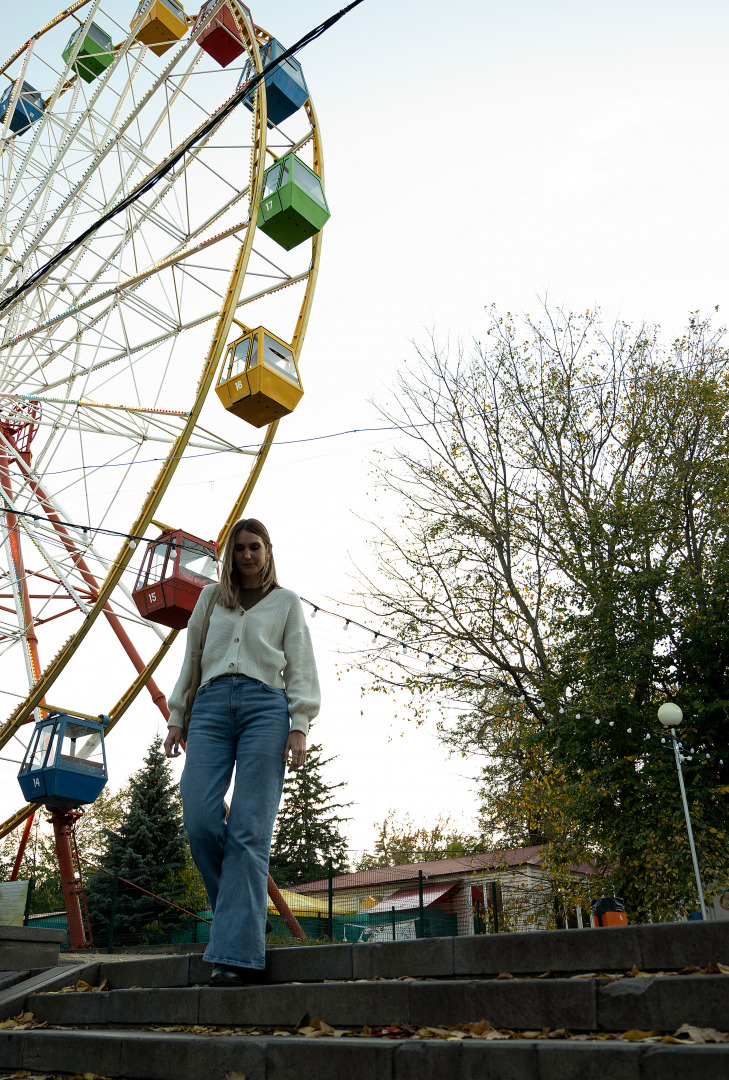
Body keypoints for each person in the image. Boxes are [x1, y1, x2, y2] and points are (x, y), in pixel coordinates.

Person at [163, 518, 320, 987]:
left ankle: (235, 955)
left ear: (268, 551)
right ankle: (242, 916)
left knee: (250, 831)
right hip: (209, 708)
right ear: (227, 556)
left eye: (255, 547)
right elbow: (191, 657)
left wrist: (300, 725)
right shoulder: (210, 600)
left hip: (265, 711)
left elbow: (301, 666)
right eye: (238, 549)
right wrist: (177, 715)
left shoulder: (287, 603)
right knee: (200, 819)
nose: (247, 555)